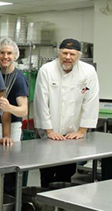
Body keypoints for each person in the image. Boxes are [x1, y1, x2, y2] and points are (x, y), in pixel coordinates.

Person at [34, 38, 99, 187]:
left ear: (79, 55)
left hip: (72, 133)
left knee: (66, 172)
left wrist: (82, 130)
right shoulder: (47, 70)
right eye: (65, 53)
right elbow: (41, 101)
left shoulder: (88, 72)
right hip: (49, 133)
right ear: (59, 53)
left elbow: (91, 100)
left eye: (72, 54)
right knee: (47, 172)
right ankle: (45, 205)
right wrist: (49, 131)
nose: (68, 57)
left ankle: (62, 207)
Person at [0, 37, 29, 142]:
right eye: (2, 53)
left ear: (15, 55)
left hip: (13, 127)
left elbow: (24, 110)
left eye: (9, 53)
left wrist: (9, 107)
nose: (5, 56)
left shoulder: (19, 78)